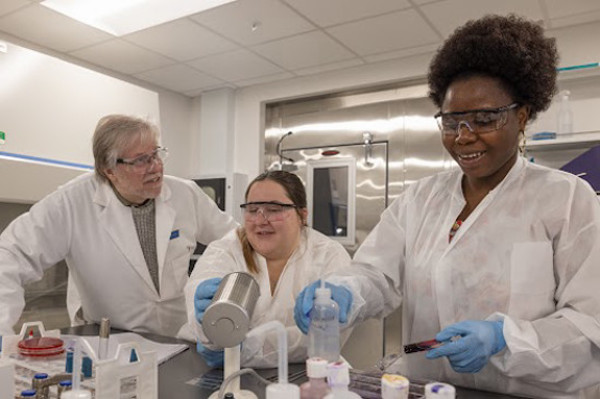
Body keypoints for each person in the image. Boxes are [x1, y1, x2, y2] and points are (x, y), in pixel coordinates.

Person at [294, 14, 600, 398]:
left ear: (521, 117)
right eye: (452, 121)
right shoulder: (420, 200)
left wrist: (505, 338)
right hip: (426, 387)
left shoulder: (568, 199)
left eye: (484, 119)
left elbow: (590, 323)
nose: (464, 137)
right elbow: (376, 274)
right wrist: (344, 292)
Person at [0, 114, 237, 338]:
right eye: (141, 160)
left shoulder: (185, 194)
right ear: (109, 170)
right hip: (108, 338)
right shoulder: (72, 201)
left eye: (156, 154)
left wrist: (216, 279)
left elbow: (236, 241)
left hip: (177, 336)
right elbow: (11, 254)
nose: (155, 166)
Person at [185, 170, 352, 368]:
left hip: (310, 376)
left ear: (302, 215)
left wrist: (244, 349)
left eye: (274, 209)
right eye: (252, 210)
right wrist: (205, 322)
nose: (261, 220)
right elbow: (206, 327)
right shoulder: (225, 250)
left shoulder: (328, 255)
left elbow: (329, 336)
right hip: (231, 378)